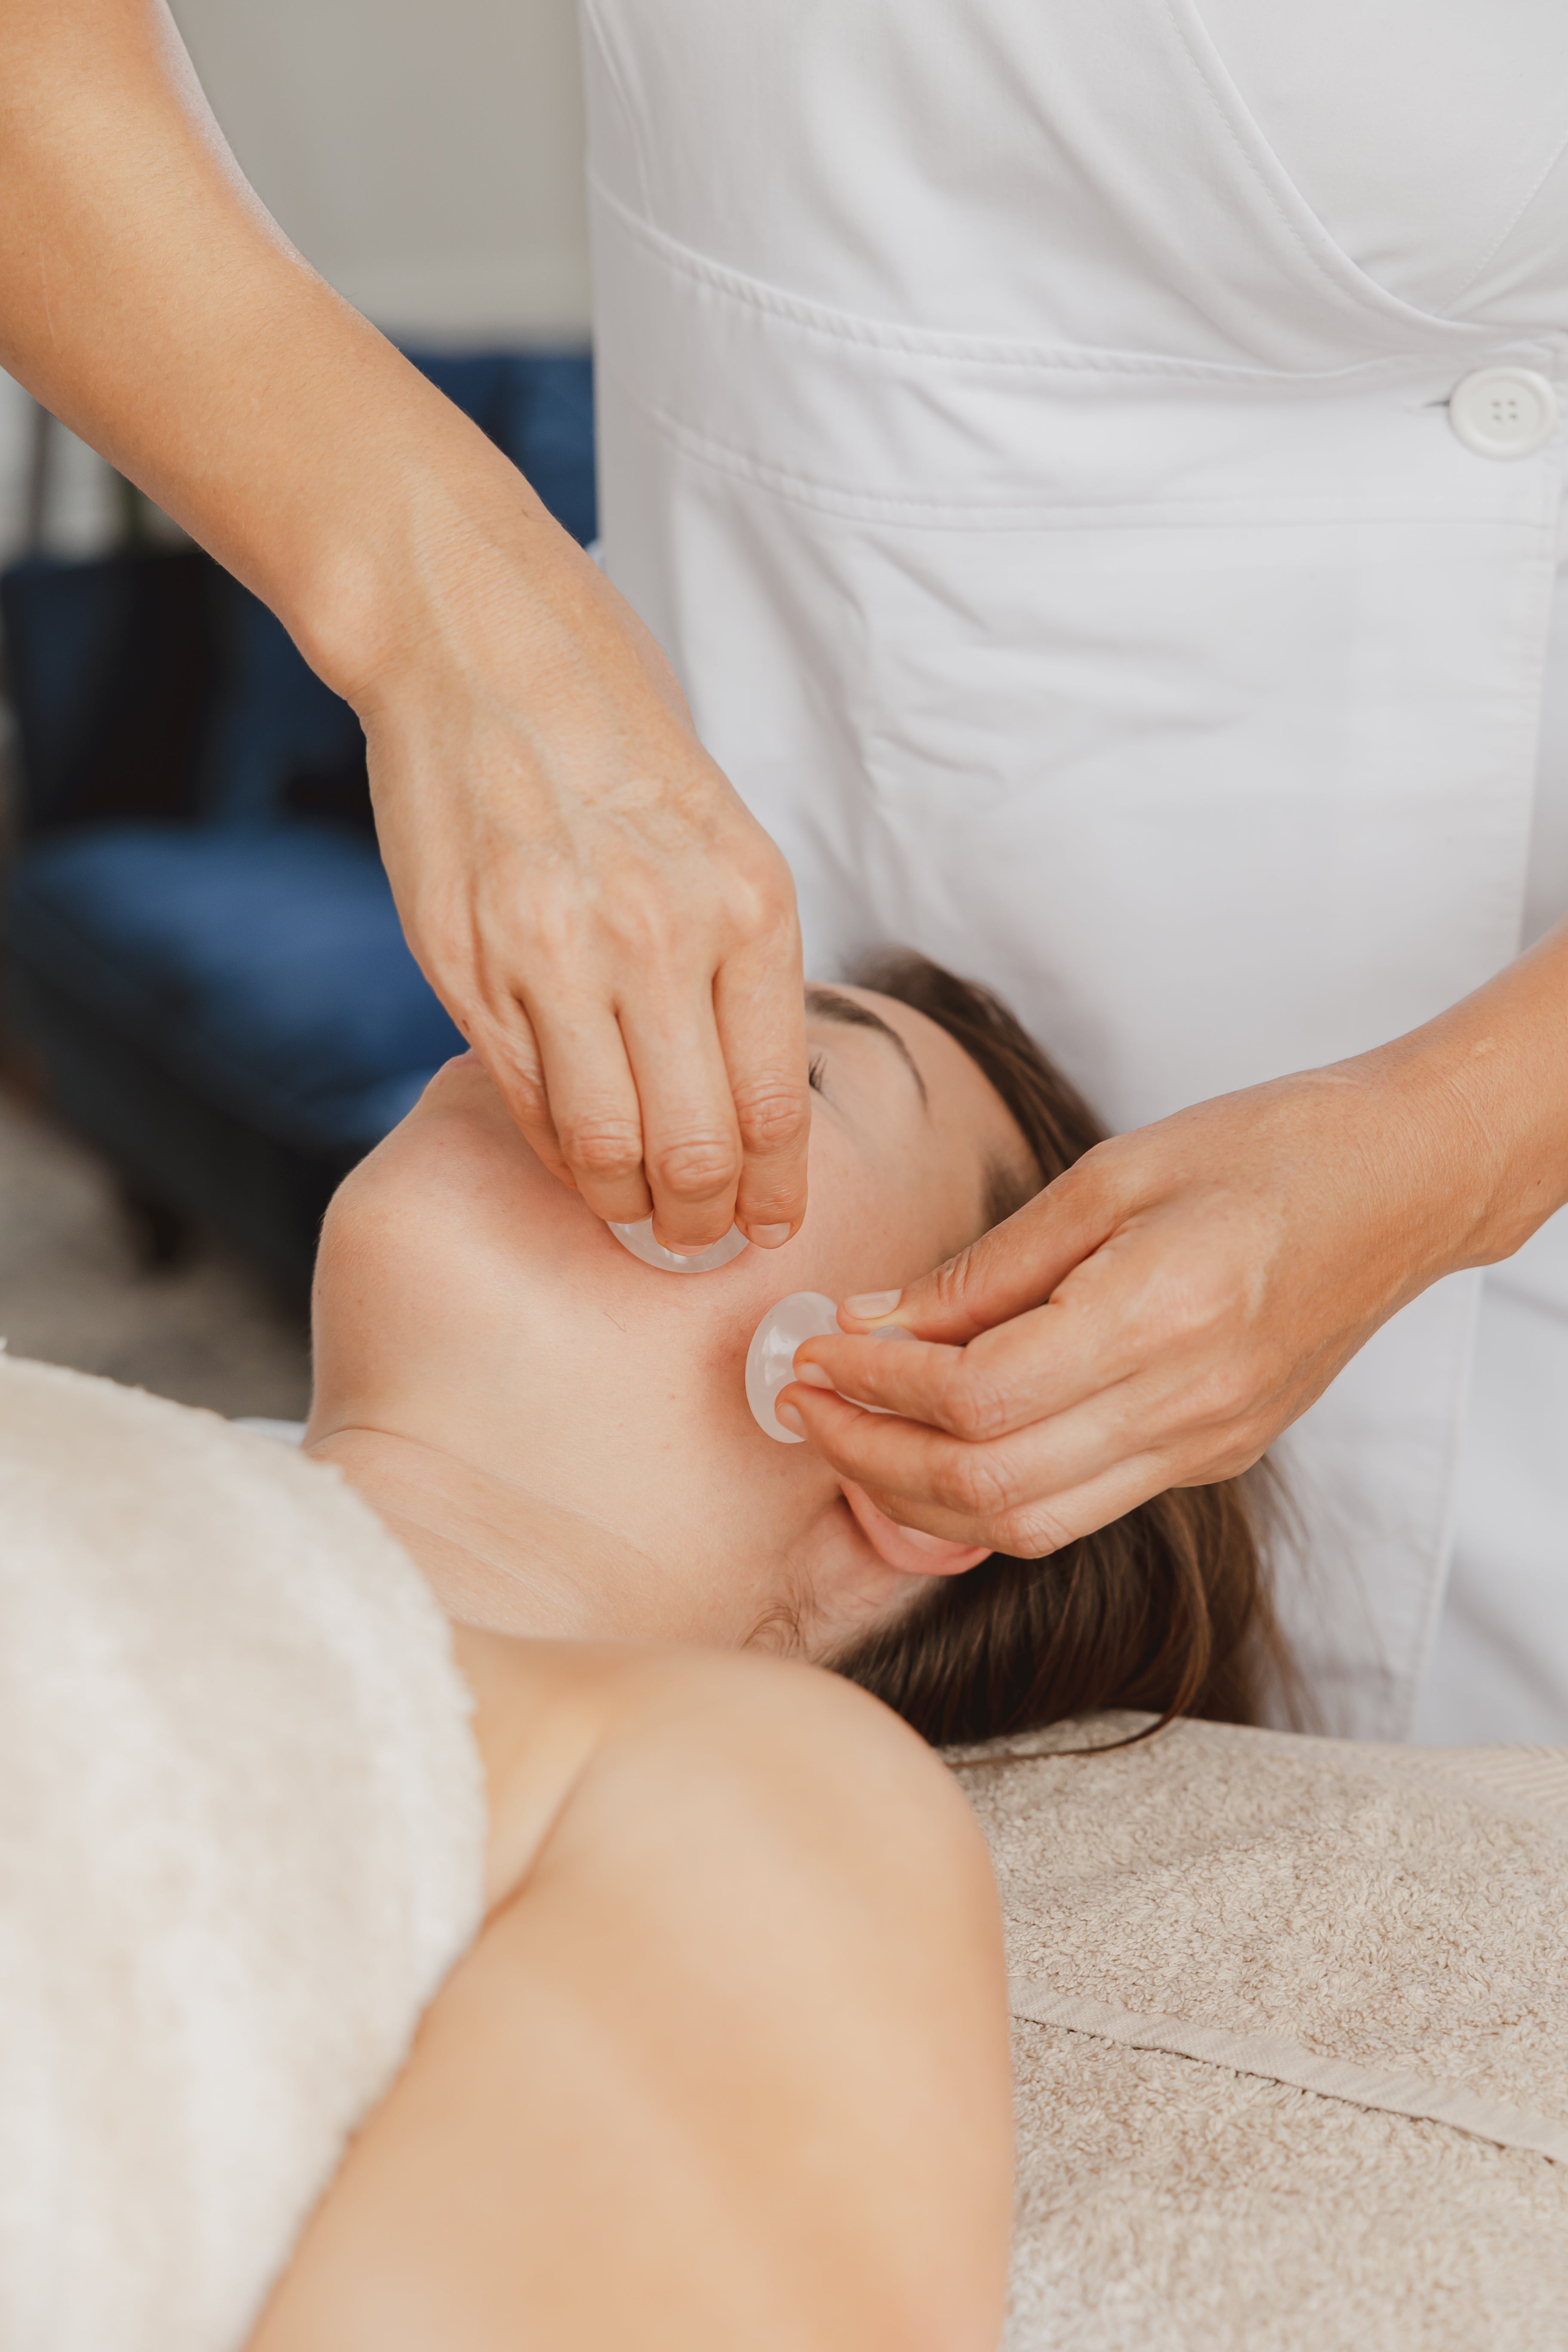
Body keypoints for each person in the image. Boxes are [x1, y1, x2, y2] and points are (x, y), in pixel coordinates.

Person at [6, 2, 1563, 1740]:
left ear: (911, 1463)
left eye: (809, 1060)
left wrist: (1485, 1132)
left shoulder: (750, 1849)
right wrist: (443, 605)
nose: (644, 1006)